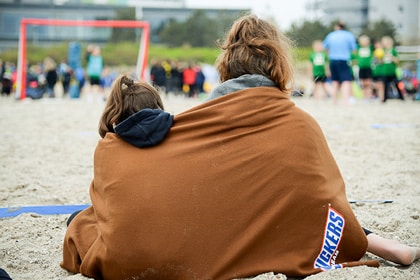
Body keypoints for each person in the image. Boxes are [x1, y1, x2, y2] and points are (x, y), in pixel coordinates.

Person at [61, 15, 419, 280]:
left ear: (225, 65)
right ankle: (384, 244)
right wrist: (362, 240)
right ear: (279, 63)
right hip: (274, 231)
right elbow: (325, 204)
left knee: (85, 220)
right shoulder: (300, 125)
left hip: (149, 253)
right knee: (301, 209)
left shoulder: (194, 124)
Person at [323, 21, 357, 105]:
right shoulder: (349, 35)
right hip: (344, 60)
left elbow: (325, 47)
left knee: (335, 81)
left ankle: (334, 101)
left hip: (333, 60)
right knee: (346, 81)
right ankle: (345, 100)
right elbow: (354, 49)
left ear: (336, 27)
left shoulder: (331, 35)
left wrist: (330, 54)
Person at [381, 36, 404, 102]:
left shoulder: (393, 51)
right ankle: (384, 99)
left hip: (392, 71)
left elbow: (397, 61)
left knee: (396, 84)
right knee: (385, 85)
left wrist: (391, 56)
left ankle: (401, 97)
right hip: (385, 71)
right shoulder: (383, 51)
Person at [355, 35, 374, 101]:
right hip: (361, 68)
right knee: (363, 83)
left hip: (368, 67)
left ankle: (369, 96)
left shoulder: (370, 48)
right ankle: (364, 97)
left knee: (368, 83)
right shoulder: (358, 48)